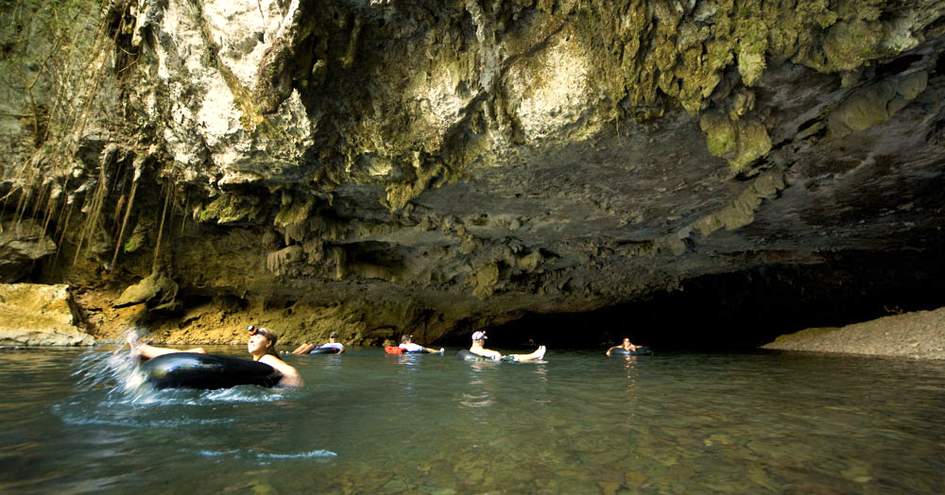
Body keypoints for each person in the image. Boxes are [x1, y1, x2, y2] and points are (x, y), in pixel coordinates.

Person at [128, 325, 303, 387]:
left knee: (200, 353)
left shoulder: (267, 359)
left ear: (269, 343)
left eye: (258, 336)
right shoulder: (256, 364)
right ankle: (145, 352)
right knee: (200, 353)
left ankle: (143, 350)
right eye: (250, 336)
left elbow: (292, 374)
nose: (251, 339)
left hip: (277, 390)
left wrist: (287, 394)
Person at [469, 330, 546, 362]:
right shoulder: (479, 350)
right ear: (480, 340)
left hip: (488, 361)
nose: (484, 341)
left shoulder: (472, 349)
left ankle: (535, 357)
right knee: (514, 357)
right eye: (483, 339)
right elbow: (497, 355)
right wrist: (497, 354)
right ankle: (537, 355)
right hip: (496, 362)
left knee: (510, 357)